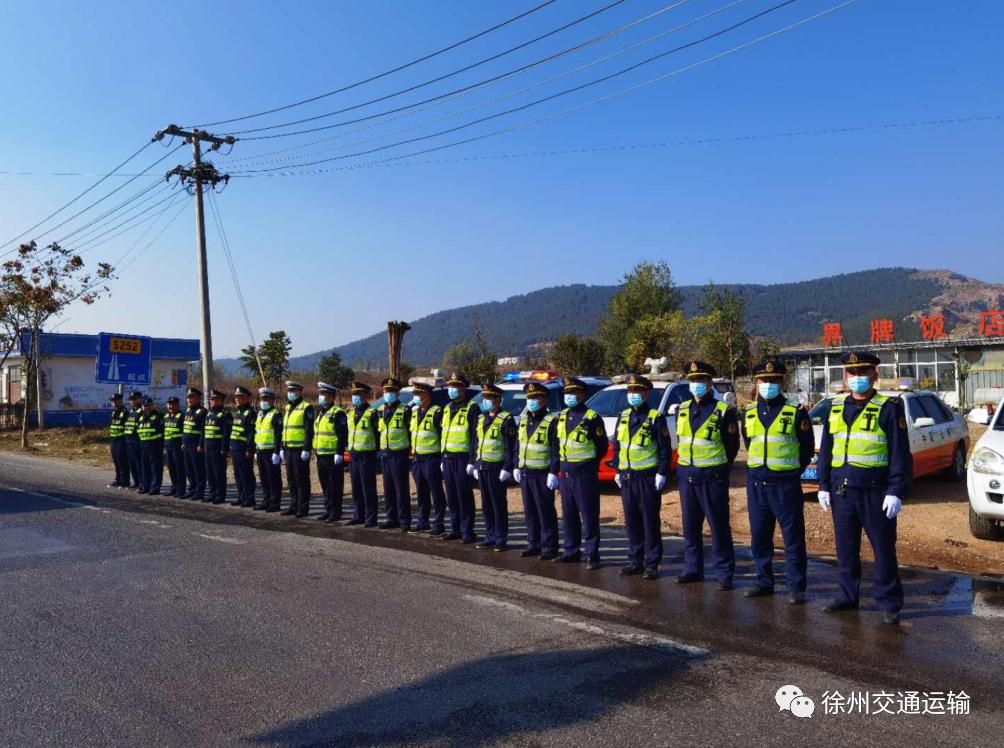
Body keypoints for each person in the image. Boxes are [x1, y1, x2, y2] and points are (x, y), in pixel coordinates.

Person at [817, 351, 912, 625]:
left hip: (875, 492)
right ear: (845, 377)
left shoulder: (888, 408)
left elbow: (900, 454)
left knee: (883, 549)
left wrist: (896, 490)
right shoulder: (835, 407)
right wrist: (823, 484)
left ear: (875, 375)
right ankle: (848, 596)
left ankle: (889, 602)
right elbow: (826, 450)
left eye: (863, 372)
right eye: (852, 373)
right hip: (841, 491)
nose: (857, 378)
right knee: (845, 549)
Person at [740, 360, 815, 603]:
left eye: (773, 381)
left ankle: (796, 587)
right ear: (756, 382)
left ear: (781, 383)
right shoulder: (749, 412)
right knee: (760, 536)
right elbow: (750, 444)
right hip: (757, 484)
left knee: (792, 537)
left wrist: (790, 472)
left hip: (785, 484)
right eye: (763, 380)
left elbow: (805, 450)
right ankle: (764, 581)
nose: (768, 385)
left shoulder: (795, 411)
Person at [675, 361, 740, 590]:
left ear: (710, 382)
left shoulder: (724, 410)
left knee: (718, 526)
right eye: (693, 380)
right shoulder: (681, 409)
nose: (696, 385)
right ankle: (693, 569)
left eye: (701, 380)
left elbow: (732, 447)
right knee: (690, 526)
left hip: (712, 477)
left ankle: (724, 572)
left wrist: (719, 470)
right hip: (687, 476)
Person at [610, 374, 670, 580]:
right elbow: (618, 445)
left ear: (646, 393)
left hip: (647, 478)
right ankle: (635, 560)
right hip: (627, 477)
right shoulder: (623, 415)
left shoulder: (655, 417)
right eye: (630, 391)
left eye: (637, 391)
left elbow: (664, 449)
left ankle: (652, 563)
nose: (633, 395)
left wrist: (662, 473)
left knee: (649, 520)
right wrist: (617, 469)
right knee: (632, 520)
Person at [555, 377, 609, 570]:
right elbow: (557, 445)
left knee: (589, 516)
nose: (570, 396)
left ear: (582, 395)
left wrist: (588, 464)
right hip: (566, 475)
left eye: (574, 393)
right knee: (569, 516)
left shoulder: (592, 417)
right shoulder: (561, 416)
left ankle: (592, 554)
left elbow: (602, 447)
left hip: (585, 475)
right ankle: (571, 551)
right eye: (567, 393)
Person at [513, 381, 560, 560]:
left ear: (544, 399)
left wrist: (553, 472)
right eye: (529, 397)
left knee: (545, 511)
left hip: (542, 473)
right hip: (526, 472)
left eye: (535, 397)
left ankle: (550, 546)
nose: (532, 400)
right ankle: (533, 543)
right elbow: (519, 444)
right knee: (530, 511)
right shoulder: (524, 420)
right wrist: (516, 465)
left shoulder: (551, 421)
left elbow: (556, 449)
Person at [473, 382, 517, 551]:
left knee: (498, 504)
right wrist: (475, 464)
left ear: (498, 400)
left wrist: (507, 467)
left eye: (489, 397)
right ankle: (490, 535)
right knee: (486, 504)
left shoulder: (506, 419)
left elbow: (509, 446)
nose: (486, 401)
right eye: (484, 397)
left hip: (497, 468)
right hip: (483, 467)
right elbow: (476, 443)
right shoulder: (481, 418)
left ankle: (501, 537)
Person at [440, 372, 480, 544]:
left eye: (456, 386)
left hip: (463, 459)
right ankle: (455, 528)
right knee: (452, 495)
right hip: (448, 457)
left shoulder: (472, 408)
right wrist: (443, 457)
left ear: (464, 388)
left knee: (464, 495)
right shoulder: (447, 407)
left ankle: (467, 530)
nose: (452, 389)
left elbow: (474, 437)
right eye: (451, 386)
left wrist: (472, 461)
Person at [410, 382, 447, 535]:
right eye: (415, 394)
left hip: (432, 459)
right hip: (417, 459)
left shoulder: (437, 412)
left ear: (427, 395)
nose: (416, 397)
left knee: (436, 492)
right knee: (421, 491)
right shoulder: (415, 412)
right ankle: (422, 521)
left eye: (419, 394)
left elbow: (442, 435)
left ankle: (438, 523)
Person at [376, 377, 413, 531]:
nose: (388, 394)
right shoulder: (380, 411)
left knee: (401, 489)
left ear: (398, 393)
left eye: (391, 391)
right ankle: (391, 518)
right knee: (388, 489)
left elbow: (411, 433)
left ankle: (404, 520)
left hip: (399, 455)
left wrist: (410, 452)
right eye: (386, 391)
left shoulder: (405, 410)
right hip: (385, 455)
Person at [345, 381, 380, 527]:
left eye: (358, 394)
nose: (355, 397)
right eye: (354, 394)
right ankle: (358, 515)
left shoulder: (372, 413)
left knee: (368, 488)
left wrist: (377, 454)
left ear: (365, 395)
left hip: (367, 456)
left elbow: (378, 435)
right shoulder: (351, 414)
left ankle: (371, 517)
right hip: (354, 456)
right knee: (356, 488)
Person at [314, 382, 348, 522]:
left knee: (334, 485)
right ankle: (328, 509)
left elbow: (342, 435)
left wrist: (339, 453)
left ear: (332, 396)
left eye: (324, 394)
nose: (321, 397)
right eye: (321, 394)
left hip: (332, 455)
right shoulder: (321, 412)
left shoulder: (337, 413)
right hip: (321, 455)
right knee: (325, 484)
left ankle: (336, 511)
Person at [281, 381, 314, 517]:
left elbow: (308, 430)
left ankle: (303, 508)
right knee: (291, 479)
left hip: (300, 449)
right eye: (289, 391)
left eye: (293, 391)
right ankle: (293, 506)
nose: (290, 393)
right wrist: (283, 447)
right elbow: (286, 429)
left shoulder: (306, 407)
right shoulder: (288, 407)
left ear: (300, 392)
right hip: (288, 449)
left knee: (302, 479)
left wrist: (307, 448)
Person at [253, 387, 284, 512]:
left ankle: (275, 502)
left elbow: (278, 435)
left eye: (266, 399)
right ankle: (266, 500)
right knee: (264, 478)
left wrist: (277, 451)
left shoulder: (276, 414)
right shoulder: (260, 414)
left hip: (271, 452)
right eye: (261, 399)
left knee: (273, 478)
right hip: (261, 451)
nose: (263, 401)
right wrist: (256, 449)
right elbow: (258, 433)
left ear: (272, 400)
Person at [229, 385, 257, 508]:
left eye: (240, 397)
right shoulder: (238, 412)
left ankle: (250, 498)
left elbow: (251, 433)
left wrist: (250, 449)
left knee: (246, 475)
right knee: (238, 475)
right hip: (235, 449)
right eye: (236, 397)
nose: (237, 399)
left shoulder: (250, 413)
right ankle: (241, 496)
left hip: (244, 450)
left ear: (247, 398)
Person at [203, 389, 233, 505]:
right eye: (211, 399)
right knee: (210, 473)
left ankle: (220, 495)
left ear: (221, 401)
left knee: (218, 473)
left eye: (214, 399)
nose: (212, 401)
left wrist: (224, 448)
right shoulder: (209, 413)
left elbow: (226, 434)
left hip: (218, 448)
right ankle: (212, 493)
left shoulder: (225, 414)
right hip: (208, 448)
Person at [180, 388, 207, 500]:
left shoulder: (202, 412)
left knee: (198, 469)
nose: (189, 399)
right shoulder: (187, 411)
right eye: (188, 397)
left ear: (198, 398)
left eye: (192, 397)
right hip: (186, 445)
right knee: (189, 469)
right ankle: (192, 489)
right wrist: (183, 442)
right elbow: (185, 429)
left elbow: (203, 430)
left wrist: (201, 445)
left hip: (196, 446)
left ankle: (199, 491)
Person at [136, 396, 164, 495]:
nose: (146, 407)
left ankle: (155, 487)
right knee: (145, 467)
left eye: (148, 405)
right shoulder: (141, 417)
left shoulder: (158, 416)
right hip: (143, 446)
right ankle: (145, 486)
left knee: (155, 468)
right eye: (144, 406)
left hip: (155, 446)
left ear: (152, 405)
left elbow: (162, 432)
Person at [163, 396, 185, 497]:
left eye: (173, 404)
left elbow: (184, 432)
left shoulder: (181, 416)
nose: (170, 406)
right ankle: (174, 487)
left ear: (177, 405)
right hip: (168, 446)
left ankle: (181, 489)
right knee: (171, 468)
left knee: (179, 468)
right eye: (169, 404)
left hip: (177, 447)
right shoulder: (166, 416)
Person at [107, 392, 129, 488]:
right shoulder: (114, 412)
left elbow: (127, 427)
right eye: (113, 401)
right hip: (114, 440)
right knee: (116, 461)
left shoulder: (125, 412)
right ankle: (118, 479)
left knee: (122, 461)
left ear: (120, 401)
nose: (114, 403)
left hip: (121, 441)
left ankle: (125, 481)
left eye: (115, 400)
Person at [123, 390, 144, 489]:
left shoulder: (142, 411)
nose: (132, 401)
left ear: (140, 399)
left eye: (134, 399)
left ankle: (142, 483)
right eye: (131, 400)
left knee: (138, 463)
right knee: (132, 463)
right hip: (129, 441)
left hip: (137, 441)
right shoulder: (130, 412)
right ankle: (136, 482)